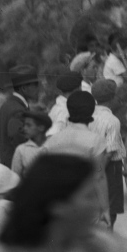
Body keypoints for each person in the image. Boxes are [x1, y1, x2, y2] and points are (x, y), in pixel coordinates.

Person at [43, 91, 112, 226]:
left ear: (69, 109)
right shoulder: (96, 141)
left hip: (58, 202)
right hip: (84, 203)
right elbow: (99, 177)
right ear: (92, 111)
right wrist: (105, 209)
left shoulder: (53, 139)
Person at [87, 80, 127, 227]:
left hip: (90, 164)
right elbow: (109, 153)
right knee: (109, 214)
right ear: (113, 97)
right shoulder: (112, 120)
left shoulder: (87, 116)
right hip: (108, 170)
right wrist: (98, 174)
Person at [0, 65, 42, 167]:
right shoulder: (18, 111)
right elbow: (20, 143)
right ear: (24, 88)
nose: (38, 88)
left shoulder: (6, 106)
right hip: (17, 169)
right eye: (35, 85)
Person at [11, 110, 51, 178]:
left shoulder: (53, 146)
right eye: (24, 125)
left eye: (29, 125)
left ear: (41, 128)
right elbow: (15, 177)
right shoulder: (21, 150)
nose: (24, 128)